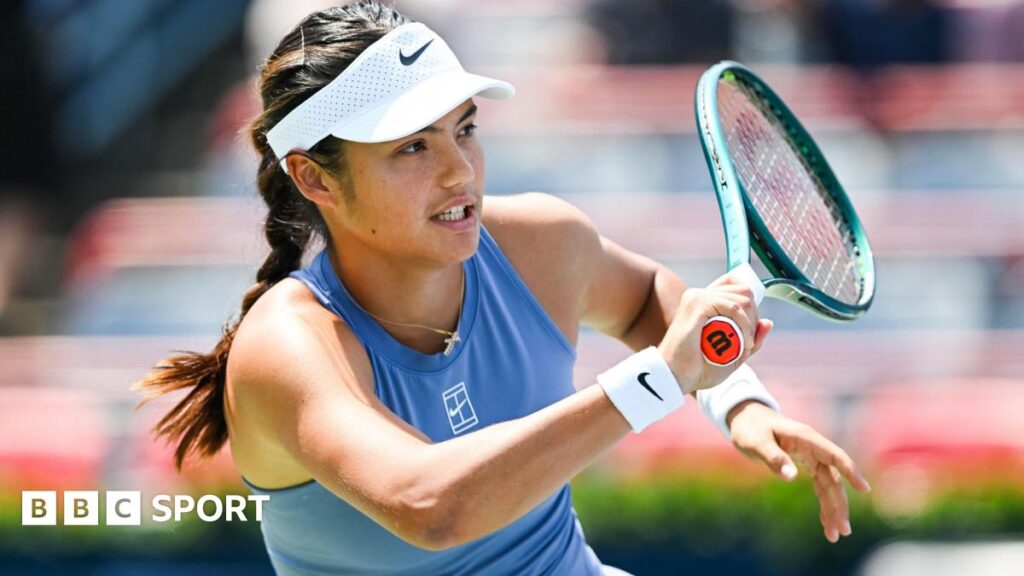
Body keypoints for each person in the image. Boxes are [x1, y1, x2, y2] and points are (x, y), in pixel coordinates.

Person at [136, 2, 870, 574]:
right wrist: (657, 381)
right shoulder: (286, 344)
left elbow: (648, 297)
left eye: (465, 129)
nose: (459, 172)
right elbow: (431, 507)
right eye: (412, 147)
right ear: (314, 178)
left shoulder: (538, 243)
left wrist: (740, 402)